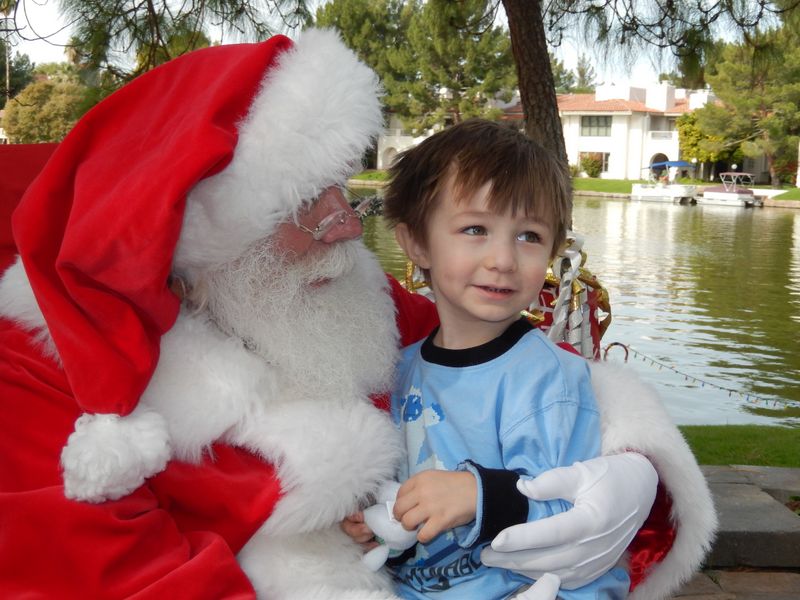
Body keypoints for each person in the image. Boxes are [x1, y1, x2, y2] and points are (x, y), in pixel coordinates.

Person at [0, 29, 715, 599]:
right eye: (304, 200)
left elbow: (525, 369)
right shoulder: (38, 367)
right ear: (197, 233)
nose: (345, 225)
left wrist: (633, 470)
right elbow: (113, 578)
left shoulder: (344, 294)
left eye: (340, 189)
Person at [344, 119, 627, 599]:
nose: (503, 259)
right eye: (475, 228)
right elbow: (408, 502)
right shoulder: (402, 370)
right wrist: (383, 523)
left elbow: (578, 518)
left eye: (529, 236)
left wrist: (480, 496)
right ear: (415, 243)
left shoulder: (549, 381)